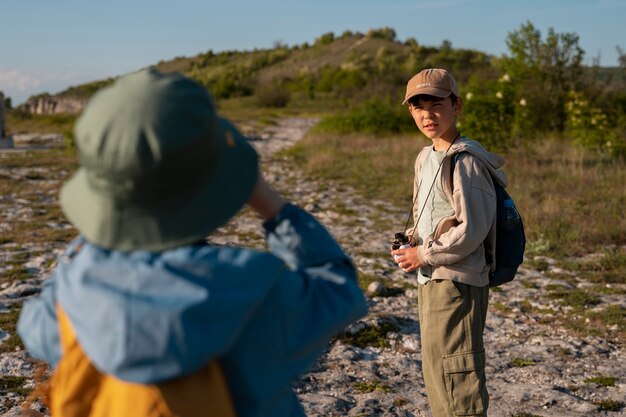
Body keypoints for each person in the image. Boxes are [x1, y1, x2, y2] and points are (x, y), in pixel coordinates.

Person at [18, 68, 367, 417]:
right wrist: (270, 204)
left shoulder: (75, 293)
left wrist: (105, 225)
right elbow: (338, 290)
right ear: (220, 185)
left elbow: (32, 325)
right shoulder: (257, 291)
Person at [390, 68, 507, 417]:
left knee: (458, 377)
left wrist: (423, 253)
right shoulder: (426, 157)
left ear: (456, 106)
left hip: (457, 280)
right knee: (438, 371)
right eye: (417, 106)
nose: (427, 114)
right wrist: (410, 241)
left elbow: (473, 230)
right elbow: (425, 210)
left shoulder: (466, 161)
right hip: (431, 276)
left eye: (436, 104)